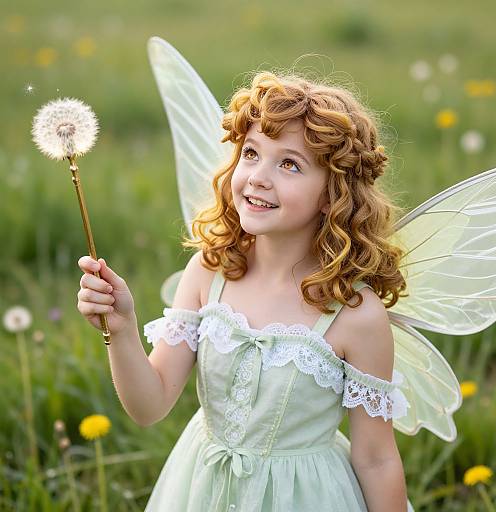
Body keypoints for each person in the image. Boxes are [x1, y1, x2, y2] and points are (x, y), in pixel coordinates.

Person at [77, 71, 416, 511]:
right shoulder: (210, 271)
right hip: (203, 489)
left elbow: (375, 458)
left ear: (334, 194)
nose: (257, 176)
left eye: (289, 164)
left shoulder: (354, 313)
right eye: (252, 153)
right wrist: (122, 329)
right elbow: (150, 405)